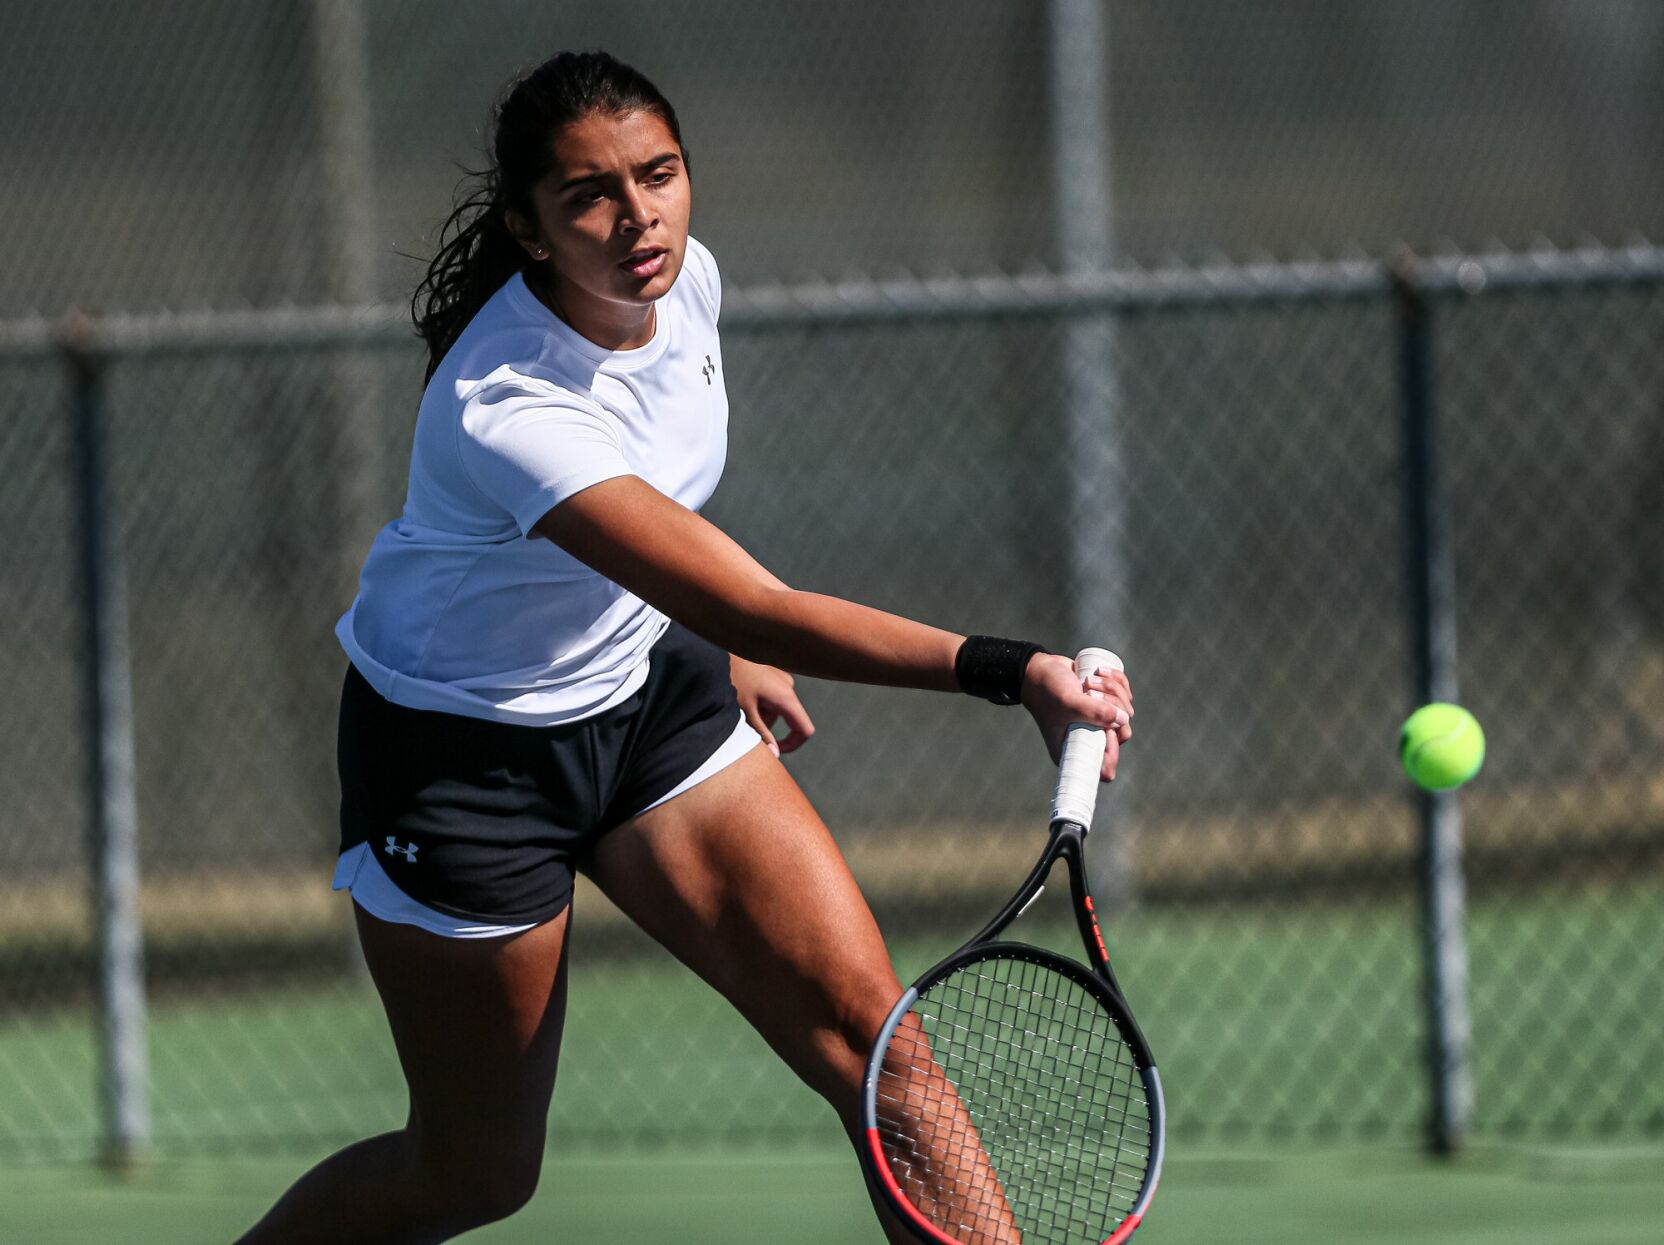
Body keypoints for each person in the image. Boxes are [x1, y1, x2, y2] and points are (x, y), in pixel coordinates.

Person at [237, 49, 1132, 1244]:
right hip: (465, 767)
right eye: (588, 196)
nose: (636, 218)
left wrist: (710, 623)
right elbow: (751, 603)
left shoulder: (684, 281)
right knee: (474, 1171)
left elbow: (671, 507)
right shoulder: (504, 405)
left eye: (656, 175)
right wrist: (1008, 668)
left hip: (649, 703)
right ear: (530, 228)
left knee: (885, 1061)